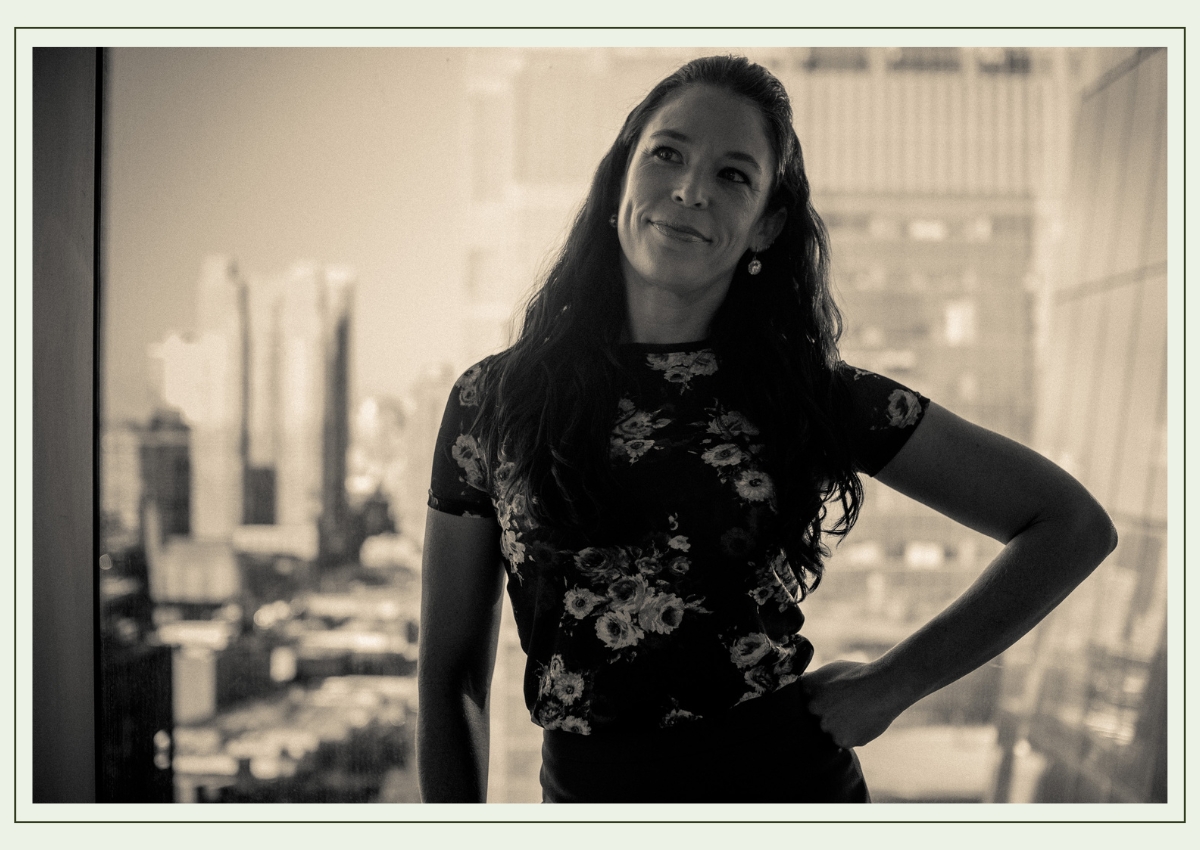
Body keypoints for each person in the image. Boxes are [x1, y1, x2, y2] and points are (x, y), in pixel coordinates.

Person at [416, 55, 1117, 804]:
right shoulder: (493, 402)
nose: (691, 190)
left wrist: (891, 686)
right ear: (622, 173)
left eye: (733, 176)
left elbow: (1071, 526)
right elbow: (451, 680)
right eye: (667, 154)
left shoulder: (808, 395)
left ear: (766, 226)